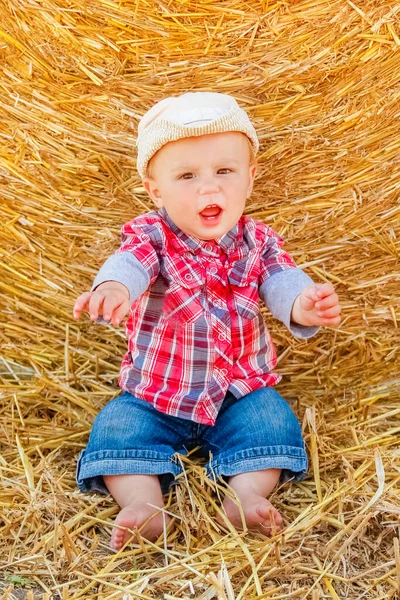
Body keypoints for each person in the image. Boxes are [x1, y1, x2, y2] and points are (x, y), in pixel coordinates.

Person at [73, 92, 341, 551]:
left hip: (240, 393)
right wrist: (113, 290)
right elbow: (128, 265)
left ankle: (246, 495)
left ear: (250, 177)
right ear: (155, 189)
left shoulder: (258, 242)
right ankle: (143, 504)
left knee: (273, 423)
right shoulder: (151, 236)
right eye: (187, 176)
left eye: (224, 171)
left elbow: (281, 279)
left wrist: (302, 302)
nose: (209, 189)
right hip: (156, 394)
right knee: (116, 428)